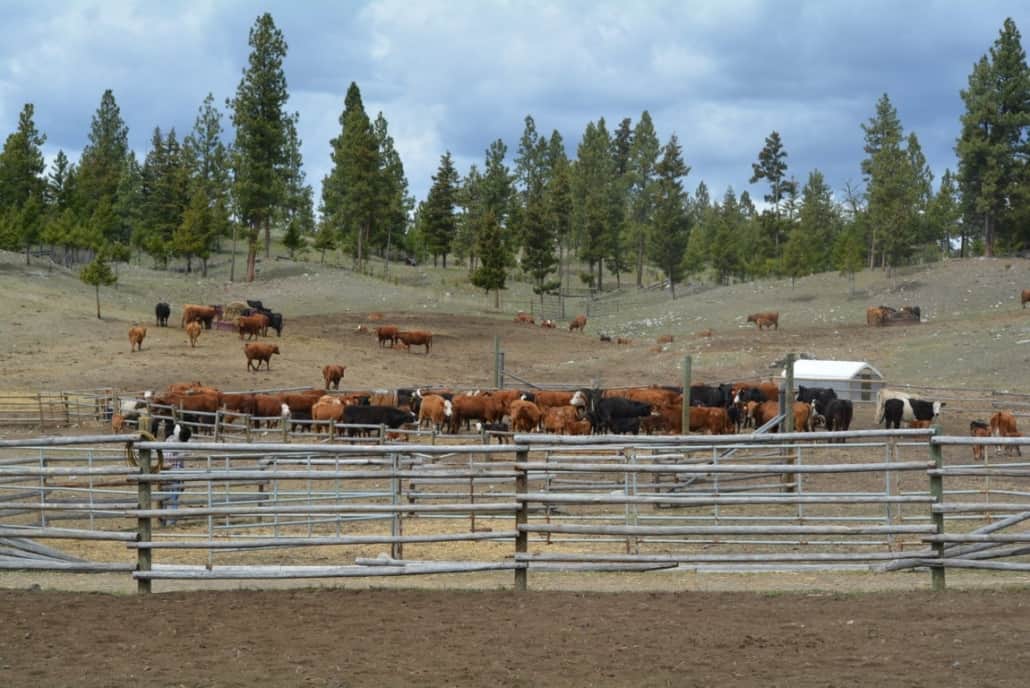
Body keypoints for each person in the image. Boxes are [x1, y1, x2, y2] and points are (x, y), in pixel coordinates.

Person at [161, 424, 191, 526]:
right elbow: (168, 458)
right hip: (171, 472)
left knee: (172, 495)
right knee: (171, 496)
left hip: (175, 472)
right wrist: (182, 455)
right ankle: (169, 520)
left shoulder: (175, 441)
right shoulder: (171, 441)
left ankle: (166, 519)